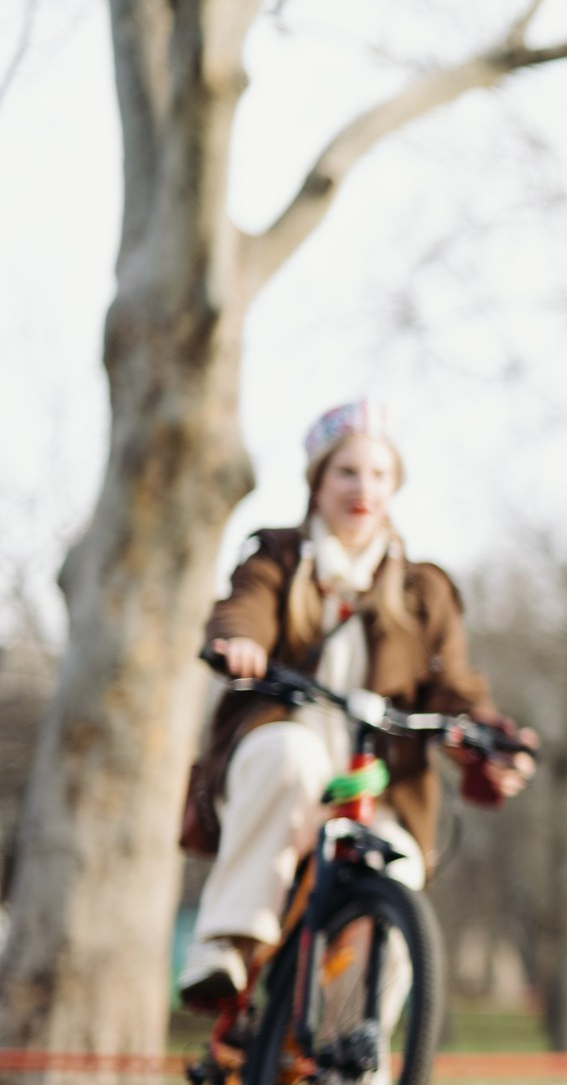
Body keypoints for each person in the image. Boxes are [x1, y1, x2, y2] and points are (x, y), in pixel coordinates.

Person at [178, 399, 536, 1015]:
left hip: (379, 787)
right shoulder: (278, 557)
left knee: (397, 883)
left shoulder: (424, 590)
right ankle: (226, 943)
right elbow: (245, 608)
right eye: (347, 471)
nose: (362, 488)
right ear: (318, 482)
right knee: (291, 756)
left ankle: (355, 1055)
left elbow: (453, 684)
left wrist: (488, 737)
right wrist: (240, 642)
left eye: (378, 474)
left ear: (394, 487)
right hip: (281, 764)